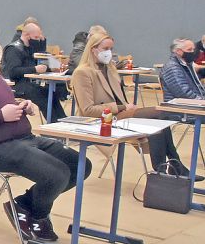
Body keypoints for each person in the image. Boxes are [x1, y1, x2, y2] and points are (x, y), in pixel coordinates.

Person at [0, 24, 91, 242]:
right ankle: (37, 216)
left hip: (24, 138)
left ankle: (23, 205)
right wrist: (0, 116)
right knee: (56, 174)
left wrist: (22, 105)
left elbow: (0, 103)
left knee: (80, 165)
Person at [71, 30, 190, 176]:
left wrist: (125, 108)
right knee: (160, 113)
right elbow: (88, 110)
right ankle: (167, 168)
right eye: (105, 49)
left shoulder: (110, 69)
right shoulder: (82, 73)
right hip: (102, 120)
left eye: (111, 49)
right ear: (93, 49)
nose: (109, 52)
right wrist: (122, 107)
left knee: (160, 118)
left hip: (121, 114)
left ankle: (168, 167)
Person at [2, 21, 67, 122]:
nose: (38, 40)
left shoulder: (32, 48)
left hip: (31, 83)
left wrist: (50, 67)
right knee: (44, 97)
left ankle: (63, 123)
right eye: (36, 38)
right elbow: (13, 71)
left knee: (52, 95)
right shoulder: (13, 49)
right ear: (27, 35)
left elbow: (41, 63)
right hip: (17, 85)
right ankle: (53, 125)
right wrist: (35, 69)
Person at [160, 37, 205, 103]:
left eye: (193, 49)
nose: (193, 52)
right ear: (178, 51)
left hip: (192, 104)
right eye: (189, 50)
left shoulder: (187, 65)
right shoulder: (172, 68)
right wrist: (202, 101)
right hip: (180, 108)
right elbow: (183, 94)